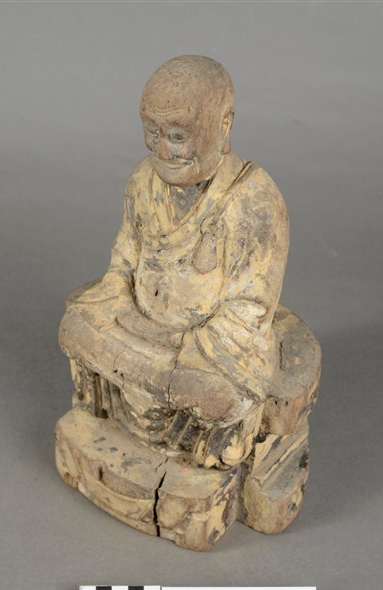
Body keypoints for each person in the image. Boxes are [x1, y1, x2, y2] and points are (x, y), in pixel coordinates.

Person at [59, 55, 289, 469]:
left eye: (179, 135)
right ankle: (142, 390)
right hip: (139, 327)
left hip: (201, 351)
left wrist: (178, 346)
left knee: (217, 397)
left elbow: (249, 310)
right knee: (74, 325)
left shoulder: (253, 200)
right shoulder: (142, 180)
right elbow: (123, 261)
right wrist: (120, 306)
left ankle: (208, 427)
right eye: (153, 131)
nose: (163, 149)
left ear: (224, 125)